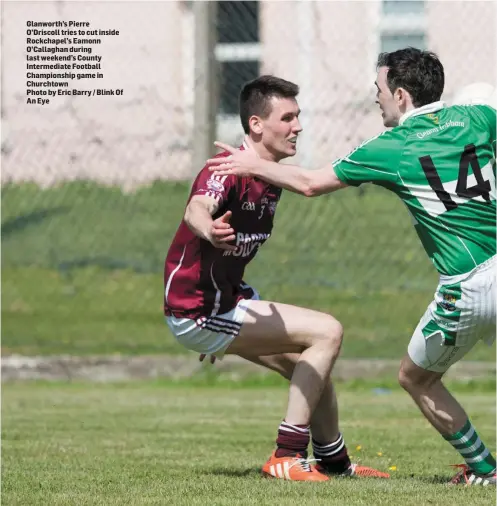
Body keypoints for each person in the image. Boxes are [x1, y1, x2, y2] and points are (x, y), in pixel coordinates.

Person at [206, 49, 497, 487]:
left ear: (400, 95)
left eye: (379, 90)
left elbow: (309, 183)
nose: (375, 98)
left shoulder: (392, 146)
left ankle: (486, 471)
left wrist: (254, 164)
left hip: (468, 286)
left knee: (416, 378)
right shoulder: (478, 118)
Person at [164, 75, 389, 481]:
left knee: (312, 366)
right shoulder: (228, 168)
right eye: (287, 117)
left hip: (225, 303)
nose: (297, 126)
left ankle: (334, 463)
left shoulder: (269, 178)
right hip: (198, 311)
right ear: (256, 125)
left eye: (298, 116)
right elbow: (198, 207)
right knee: (327, 332)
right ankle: (286, 455)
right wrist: (209, 229)